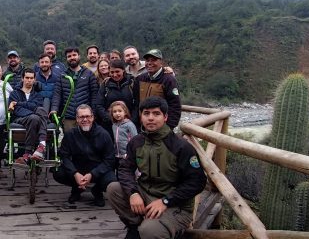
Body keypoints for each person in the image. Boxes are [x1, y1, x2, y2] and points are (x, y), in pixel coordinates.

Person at [106, 97, 206, 239]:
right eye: (146, 113)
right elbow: (124, 169)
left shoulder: (180, 146)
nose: (151, 118)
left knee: (150, 231)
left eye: (156, 114)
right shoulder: (136, 142)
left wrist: (166, 201)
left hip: (175, 204)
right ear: (141, 117)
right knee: (113, 189)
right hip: (145, 192)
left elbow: (197, 182)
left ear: (165, 117)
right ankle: (135, 226)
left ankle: (162, 229)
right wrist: (133, 193)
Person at [53, 105, 115, 207]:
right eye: (81, 117)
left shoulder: (103, 134)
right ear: (77, 119)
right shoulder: (70, 134)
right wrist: (75, 173)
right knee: (58, 172)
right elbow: (64, 156)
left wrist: (93, 174)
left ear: (92, 117)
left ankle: (97, 190)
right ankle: (76, 188)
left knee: (111, 180)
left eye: (87, 116)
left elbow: (109, 160)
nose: (85, 119)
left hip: (98, 170)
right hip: (78, 169)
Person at [51, 47, 98, 132]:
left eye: (74, 55)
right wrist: (54, 109)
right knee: (70, 142)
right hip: (69, 117)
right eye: (69, 56)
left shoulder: (89, 74)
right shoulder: (62, 76)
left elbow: (94, 95)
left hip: (85, 117)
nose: (72, 57)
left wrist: (93, 113)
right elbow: (57, 95)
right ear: (66, 59)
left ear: (79, 56)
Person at [133, 49, 181, 129]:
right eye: (147, 60)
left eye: (154, 60)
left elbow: (175, 106)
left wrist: (168, 127)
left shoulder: (169, 80)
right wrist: (136, 123)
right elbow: (136, 104)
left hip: (161, 127)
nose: (149, 63)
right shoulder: (140, 79)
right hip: (142, 127)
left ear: (161, 62)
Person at [9, 68, 48, 164]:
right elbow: (17, 111)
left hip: (34, 119)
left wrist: (18, 103)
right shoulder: (14, 93)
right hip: (19, 119)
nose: (29, 80)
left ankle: (29, 152)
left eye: (31, 78)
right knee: (36, 115)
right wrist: (31, 109)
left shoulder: (38, 95)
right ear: (22, 78)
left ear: (34, 80)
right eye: (27, 77)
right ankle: (42, 144)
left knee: (38, 113)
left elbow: (36, 107)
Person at [95, 59, 136, 129]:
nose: (114, 75)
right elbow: (99, 104)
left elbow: (137, 104)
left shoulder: (132, 82)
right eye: (112, 72)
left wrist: (131, 120)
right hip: (110, 125)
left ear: (123, 70)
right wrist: (109, 119)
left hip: (130, 124)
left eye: (117, 71)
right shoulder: (105, 84)